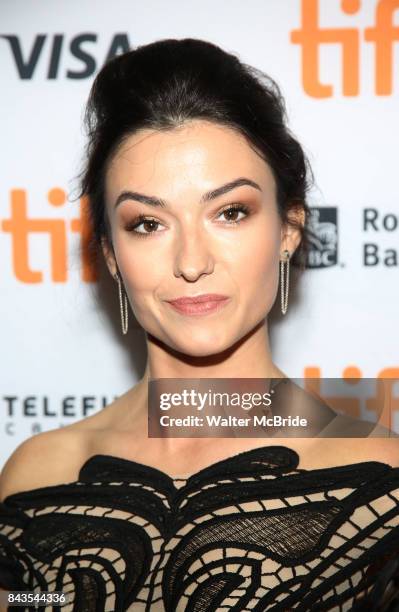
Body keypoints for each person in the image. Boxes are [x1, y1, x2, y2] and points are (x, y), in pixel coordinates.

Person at [0, 38, 399, 612]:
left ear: (288, 228)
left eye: (230, 212)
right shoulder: (37, 477)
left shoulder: (379, 484)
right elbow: (31, 602)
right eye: (147, 223)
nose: (191, 262)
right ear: (110, 253)